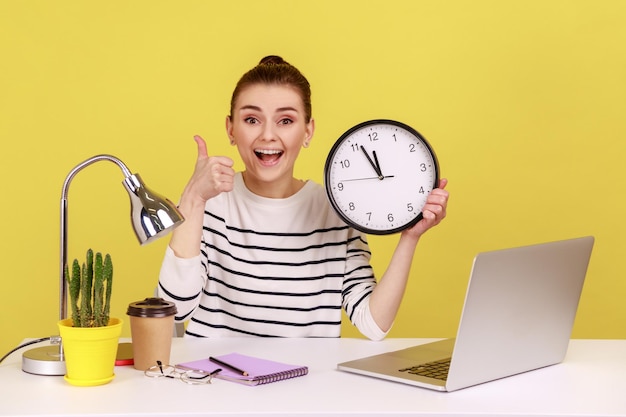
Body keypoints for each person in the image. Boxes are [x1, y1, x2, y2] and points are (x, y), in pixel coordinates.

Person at [157, 55, 449, 340]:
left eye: (285, 120)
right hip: (216, 380)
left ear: (308, 131)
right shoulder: (210, 205)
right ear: (231, 129)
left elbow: (373, 325)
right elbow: (174, 311)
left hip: (302, 386)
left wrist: (410, 237)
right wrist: (193, 198)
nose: (268, 135)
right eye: (251, 119)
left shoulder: (334, 210)